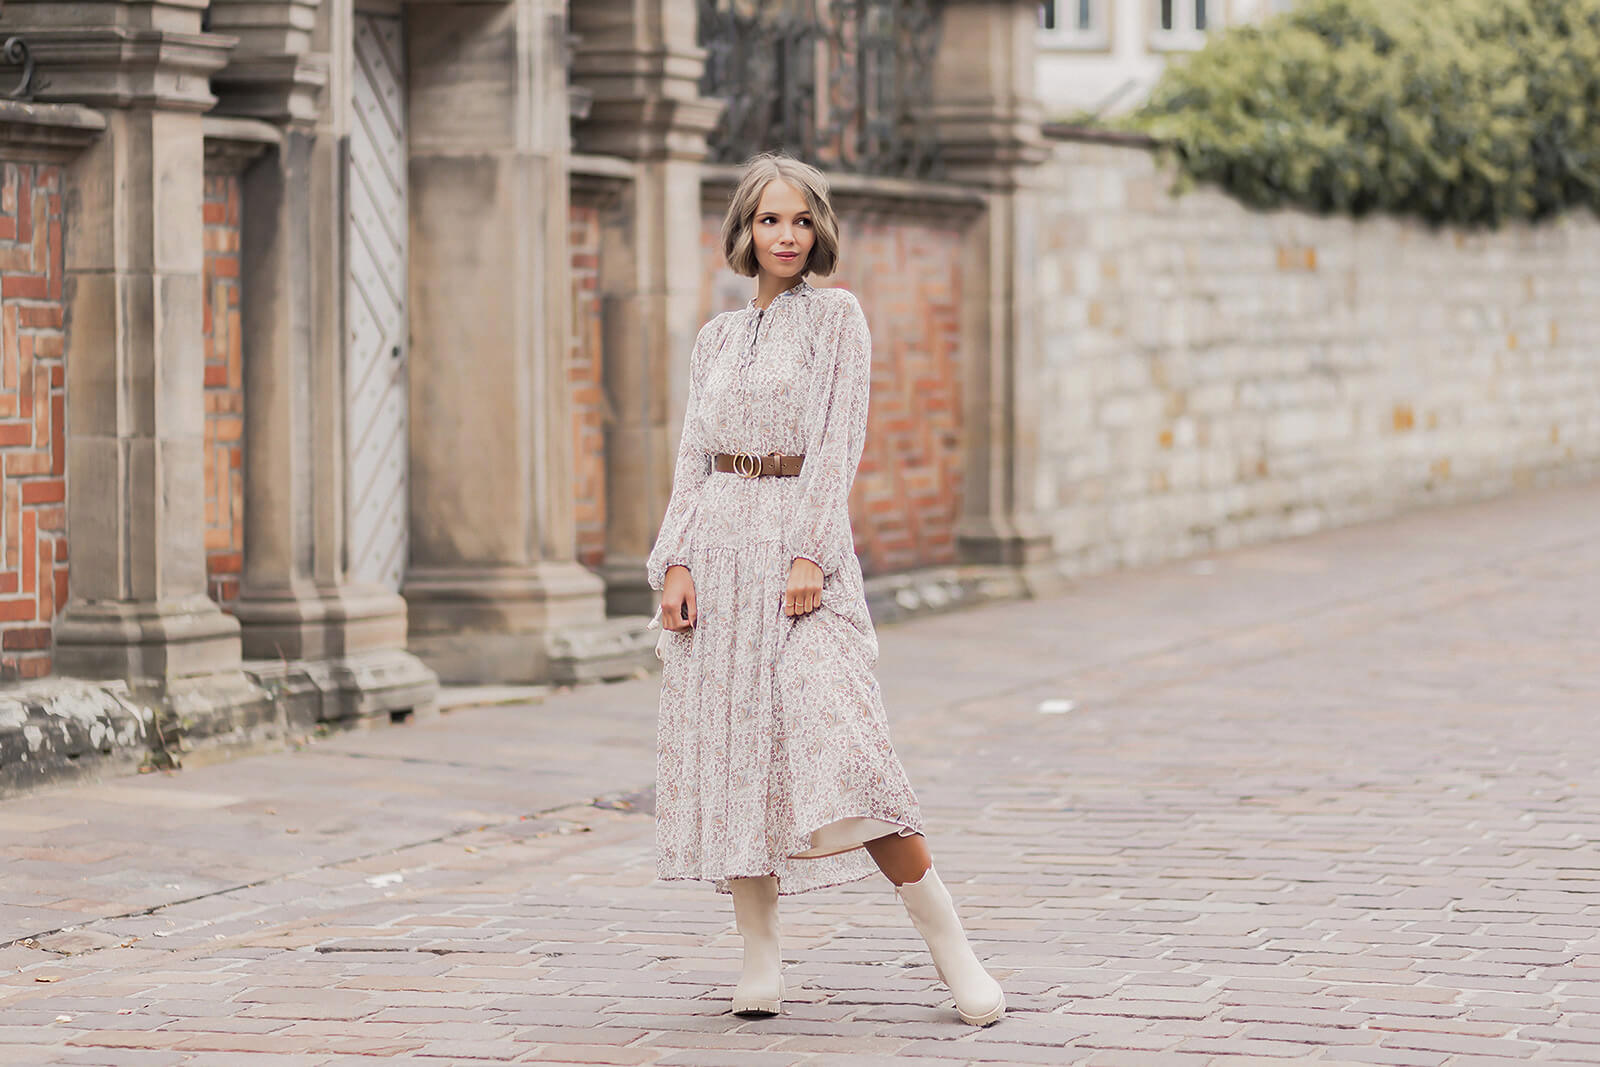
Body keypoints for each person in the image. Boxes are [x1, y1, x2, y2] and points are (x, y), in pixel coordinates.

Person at [645, 153, 1005, 1027]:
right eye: (770, 220)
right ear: (744, 230)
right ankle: (759, 954)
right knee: (738, 749)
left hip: (800, 555)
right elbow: (693, 453)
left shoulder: (836, 319)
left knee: (846, 746)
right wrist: (675, 560)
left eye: (801, 221)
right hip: (719, 547)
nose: (786, 236)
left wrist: (810, 552)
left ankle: (953, 948)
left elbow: (839, 440)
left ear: (820, 231)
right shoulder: (716, 338)